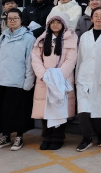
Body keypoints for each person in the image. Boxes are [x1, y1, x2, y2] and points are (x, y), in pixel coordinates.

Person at [0, 8, 35, 151]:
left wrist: (29, 81)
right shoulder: (4, 36)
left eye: (15, 18)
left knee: (17, 111)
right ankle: (5, 137)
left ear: (21, 20)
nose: (12, 21)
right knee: (1, 110)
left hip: (17, 81)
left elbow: (30, 62)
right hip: (1, 79)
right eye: (9, 19)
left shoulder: (28, 38)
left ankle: (19, 137)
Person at [31, 12, 78, 150]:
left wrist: (58, 76)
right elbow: (36, 59)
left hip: (62, 79)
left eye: (58, 22)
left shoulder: (71, 38)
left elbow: (71, 60)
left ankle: (58, 138)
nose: (55, 25)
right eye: (53, 22)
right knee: (45, 111)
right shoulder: (42, 39)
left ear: (64, 24)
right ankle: (46, 137)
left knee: (59, 110)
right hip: (45, 80)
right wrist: (44, 75)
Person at [76, 8, 101, 151]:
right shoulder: (85, 36)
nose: (98, 18)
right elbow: (80, 58)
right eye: (96, 15)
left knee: (99, 108)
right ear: (91, 19)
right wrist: (77, 77)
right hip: (84, 76)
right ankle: (86, 139)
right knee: (83, 108)